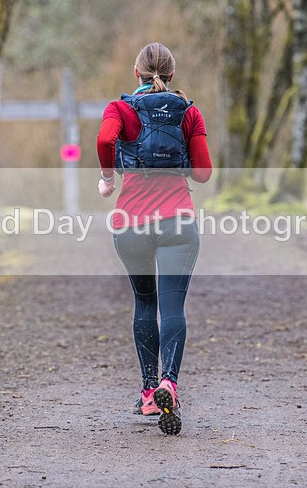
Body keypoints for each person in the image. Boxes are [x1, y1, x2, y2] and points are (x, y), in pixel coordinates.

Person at [96, 42, 212, 435]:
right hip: (177, 223)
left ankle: (149, 393)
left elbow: (104, 141)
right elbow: (203, 174)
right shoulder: (189, 112)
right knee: (173, 306)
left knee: (145, 303)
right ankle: (169, 384)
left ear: (137, 73)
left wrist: (108, 179)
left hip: (131, 224)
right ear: (172, 74)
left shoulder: (120, 109)